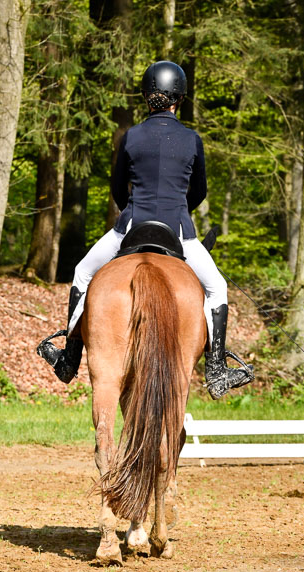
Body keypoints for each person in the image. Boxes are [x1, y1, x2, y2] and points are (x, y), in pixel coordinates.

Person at [37, 60, 254, 399]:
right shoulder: (191, 139)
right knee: (217, 289)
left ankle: (69, 359)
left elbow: (117, 189)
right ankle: (216, 371)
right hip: (179, 231)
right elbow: (199, 192)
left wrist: (133, 213)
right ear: (178, 98)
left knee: (82, 273)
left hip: (130, 228)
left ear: (146, 96)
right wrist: (178, 214)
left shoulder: (131, 136)